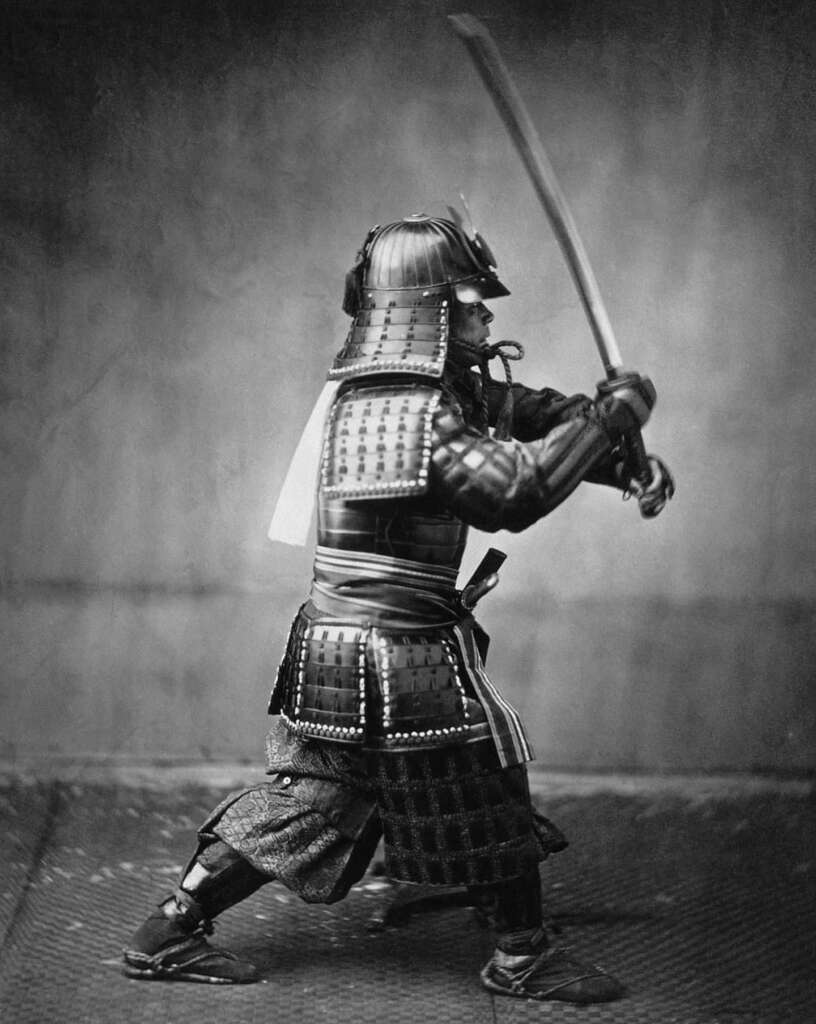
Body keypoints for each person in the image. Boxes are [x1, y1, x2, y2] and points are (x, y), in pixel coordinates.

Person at [122, 213, 673, 1002]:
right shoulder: (396, 409)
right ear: (428, 310)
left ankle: (169, 928)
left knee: (318, 801)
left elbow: (535, 420)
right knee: (480, 780)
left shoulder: (440, 390)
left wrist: (614, 453)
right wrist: (608, 421)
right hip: (389, 650)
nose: (487, 317)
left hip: (363, 646)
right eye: (472, 303)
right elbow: (509, 492)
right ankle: (522, 954)